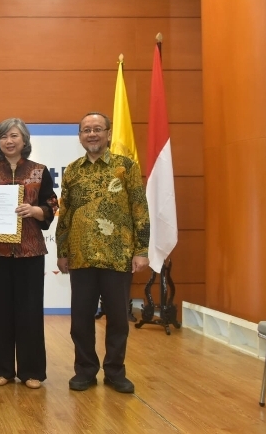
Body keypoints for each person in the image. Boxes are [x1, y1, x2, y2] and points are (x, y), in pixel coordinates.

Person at [55, 112, 150, 394]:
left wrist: (141, 250)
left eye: (97, 129)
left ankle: (115, 371)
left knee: (119, 319)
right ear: (80, 136)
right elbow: (66, 213)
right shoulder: (72, 170)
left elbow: (139, 210)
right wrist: (62, 251)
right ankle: (85, 370)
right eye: (86, 130)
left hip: (117, 256)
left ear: (108, 133)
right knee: (80, 319)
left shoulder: (126, 167)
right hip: (81, 257)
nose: (92, 134)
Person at [0, 118, 59, 389]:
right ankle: (0, 369)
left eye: (14, 136)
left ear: (24, 140)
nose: (9, 141)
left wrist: (36, 211)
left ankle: (32, 371)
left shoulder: (39, 171)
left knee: (30, 311)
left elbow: (52, 205)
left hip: (29, 251)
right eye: (3, 137)